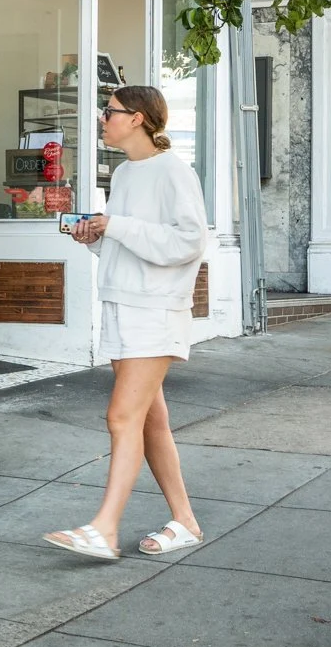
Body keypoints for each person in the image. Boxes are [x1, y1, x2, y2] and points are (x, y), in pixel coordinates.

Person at [45, 86, 209, 560]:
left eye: (110, 112)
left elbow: (188, 242)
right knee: (151, 422)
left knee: (122, 417)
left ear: (137, 119)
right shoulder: (124, 172)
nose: (102, 119)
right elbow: (129, 241)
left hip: (155, 311)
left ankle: (105, 528)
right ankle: (186, 520)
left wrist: (114, 226)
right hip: (121, 304)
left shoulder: (175, 171)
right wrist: (94, 236)